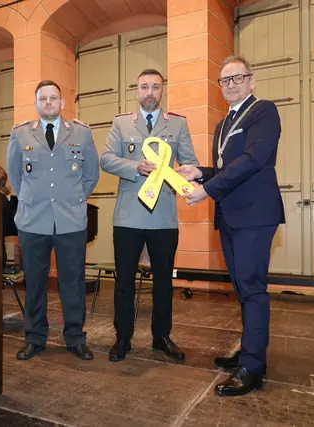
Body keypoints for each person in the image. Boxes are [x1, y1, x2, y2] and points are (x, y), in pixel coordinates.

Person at [176, 55, 284, 396]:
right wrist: (201, 172)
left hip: (255, 215)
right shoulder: (224, 124)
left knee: (252, 288)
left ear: (252, 80)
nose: (231, 84)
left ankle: (252, 368)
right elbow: (227, 168)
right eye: (225, 80)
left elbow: (252, 160)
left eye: (238, 77)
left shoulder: (263, 111)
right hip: (231, 216)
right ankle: (251, 351)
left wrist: (207, 189)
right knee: (242, 288)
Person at [100, 69, 198, 362]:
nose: (150, 92)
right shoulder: (121, 123)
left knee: (163, 283)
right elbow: (106, 159)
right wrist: (135, 167)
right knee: (124, 282)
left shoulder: (178, 124)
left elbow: (191, 163)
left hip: (163, 216)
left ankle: (161, 336)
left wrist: (182, 174)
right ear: (137, 91)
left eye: (156, 87)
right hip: (128, 216)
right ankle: (123, 338)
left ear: (162, 91)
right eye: (145, 87)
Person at [6, 80, 100, 361]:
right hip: (33, 220)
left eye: (53, 98)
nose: (48, 102)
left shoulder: (81, 133)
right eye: (43, 98)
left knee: (72, 282)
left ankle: (75, 338)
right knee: (35, 283)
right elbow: (15, 176)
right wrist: (34, 199)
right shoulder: (20, 133)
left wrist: (72, 199)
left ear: (62, 102)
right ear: (36, 103)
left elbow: (91, 175)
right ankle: (35, 338)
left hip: (70, 220)